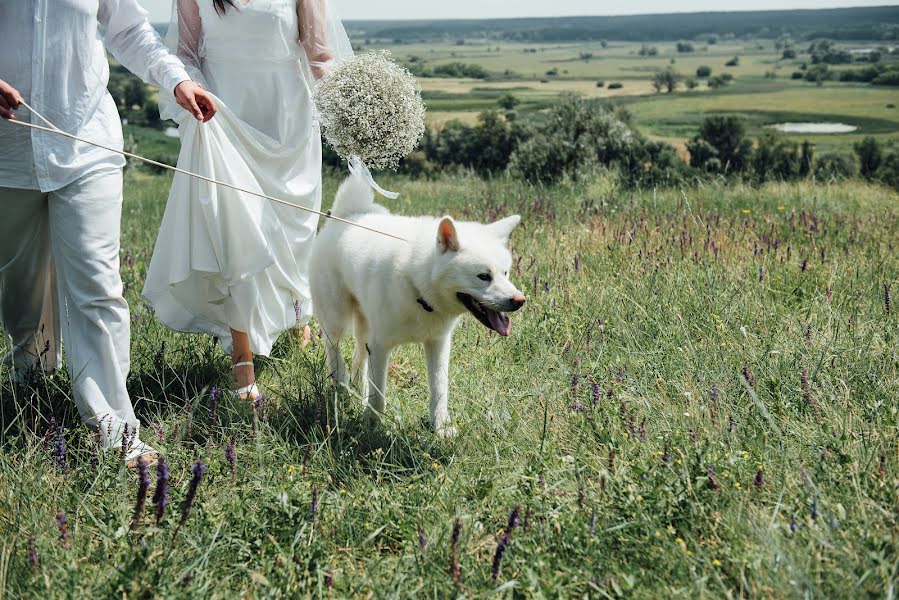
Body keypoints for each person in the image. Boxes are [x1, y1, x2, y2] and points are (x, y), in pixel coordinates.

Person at [0, 0, 217, 466]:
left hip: (86, 144)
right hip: (7, 153)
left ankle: (116, 431)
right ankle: (30, 383)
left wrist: (174, 78)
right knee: (19, 286)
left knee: (97, 288)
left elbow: (130, 31)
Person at [142, 0, 352, 400]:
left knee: (292, 234)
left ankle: (295, 320)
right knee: (235, 229)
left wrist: (353, 115)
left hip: (287, 120)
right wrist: (194, 89)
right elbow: (186, 53)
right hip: (224, 118)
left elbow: (319, 53)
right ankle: (243, 359)